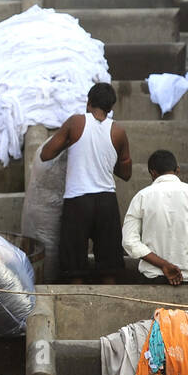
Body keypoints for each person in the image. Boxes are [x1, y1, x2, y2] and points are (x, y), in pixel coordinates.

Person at [39, 82, 132, 283]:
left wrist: (69, 143)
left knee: (75, 268)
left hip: (78, 201)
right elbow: (126, 173)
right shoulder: (118, 131)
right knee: (109, 267)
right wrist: (106, 158)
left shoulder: (75, 123)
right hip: (107, 202)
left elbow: (46, 154)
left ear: (88, 103)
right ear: (111, 107)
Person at [121, 149, 188, 285]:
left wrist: (163, 265)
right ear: (177, 170)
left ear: (152, 173)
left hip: (152, 278)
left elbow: (129, 242)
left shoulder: (142, 197)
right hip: (186, 277)